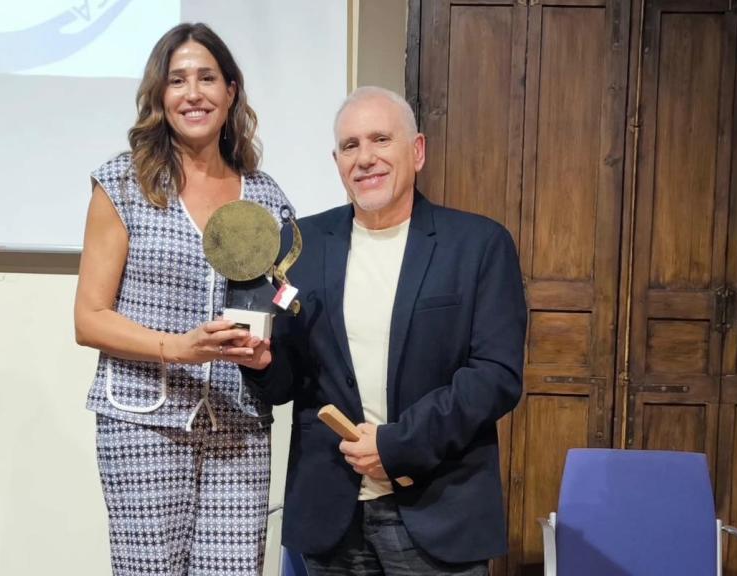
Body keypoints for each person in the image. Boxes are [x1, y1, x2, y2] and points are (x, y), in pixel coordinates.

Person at [240, 86, 527, 575]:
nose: (365, 158)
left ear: (417, 151)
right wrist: (262, 364)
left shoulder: (479, 244)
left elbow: (496, 376)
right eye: (350, 145)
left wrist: (397, 445)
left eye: (380, 139)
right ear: (336, 162)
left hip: (439, 511)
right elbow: (289, 381)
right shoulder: (300, 244)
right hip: (331, 517)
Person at [74, 23, 290, 576]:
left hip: (238, 427)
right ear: (160, 95)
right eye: (177, 80)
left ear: (231, 91)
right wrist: (179, 348)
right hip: (142, 422)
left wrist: (266, 352)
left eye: (207, 78)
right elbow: (89, 319)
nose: (193, 93)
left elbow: (279, 303)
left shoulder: (265, 196)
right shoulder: (124, 184)